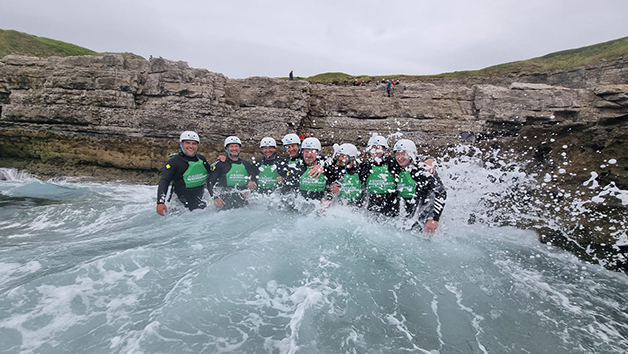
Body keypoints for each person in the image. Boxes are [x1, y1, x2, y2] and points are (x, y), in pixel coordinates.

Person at [389, 139, 446, 233]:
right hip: (408, 215)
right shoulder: (397, 166)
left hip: (424, 214)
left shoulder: (422, 169)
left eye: (403, 153)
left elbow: (441, 192)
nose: (399, 157)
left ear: (411, 154)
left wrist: (434, 219)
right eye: (397, 154)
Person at [156, 131, 212, 215]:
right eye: (187, 143)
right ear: (181, 144)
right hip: (180, 205)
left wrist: (221, 161)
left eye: (194, 143)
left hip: (200, 202)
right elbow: (165, 181)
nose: (191, 146)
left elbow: (213, 172)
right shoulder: (173, 162)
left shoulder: (201, 159)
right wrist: (160, 202)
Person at [208, 136, 259, 210]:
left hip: (242, 200)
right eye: (231, 146)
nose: (234, 149)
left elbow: (254, 177)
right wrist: (215, 198)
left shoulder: (246, 164)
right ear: (226, 149)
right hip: (225, 201)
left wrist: (252, 182)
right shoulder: (220, 164)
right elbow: (210, 182)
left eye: (236, 146)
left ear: (240, 148)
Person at [359, 134, 398, 216]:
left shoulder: (393, 163)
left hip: (391, 207)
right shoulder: (365, 165)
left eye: (378, 147)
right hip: (372, 206)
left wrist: (428, 160)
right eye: (372, 147)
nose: (375, 150)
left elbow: (411, 161)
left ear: (385, 149)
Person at [283, 137, 331, 201]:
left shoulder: (326, 165)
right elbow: (287, 190)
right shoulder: (296, 168)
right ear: (302, 152)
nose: (308, 155)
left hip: (321, 204)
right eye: (306, 151)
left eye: (312, 151)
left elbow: (332, 160)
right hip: (302, 204)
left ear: (318, 152)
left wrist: (322, 165)